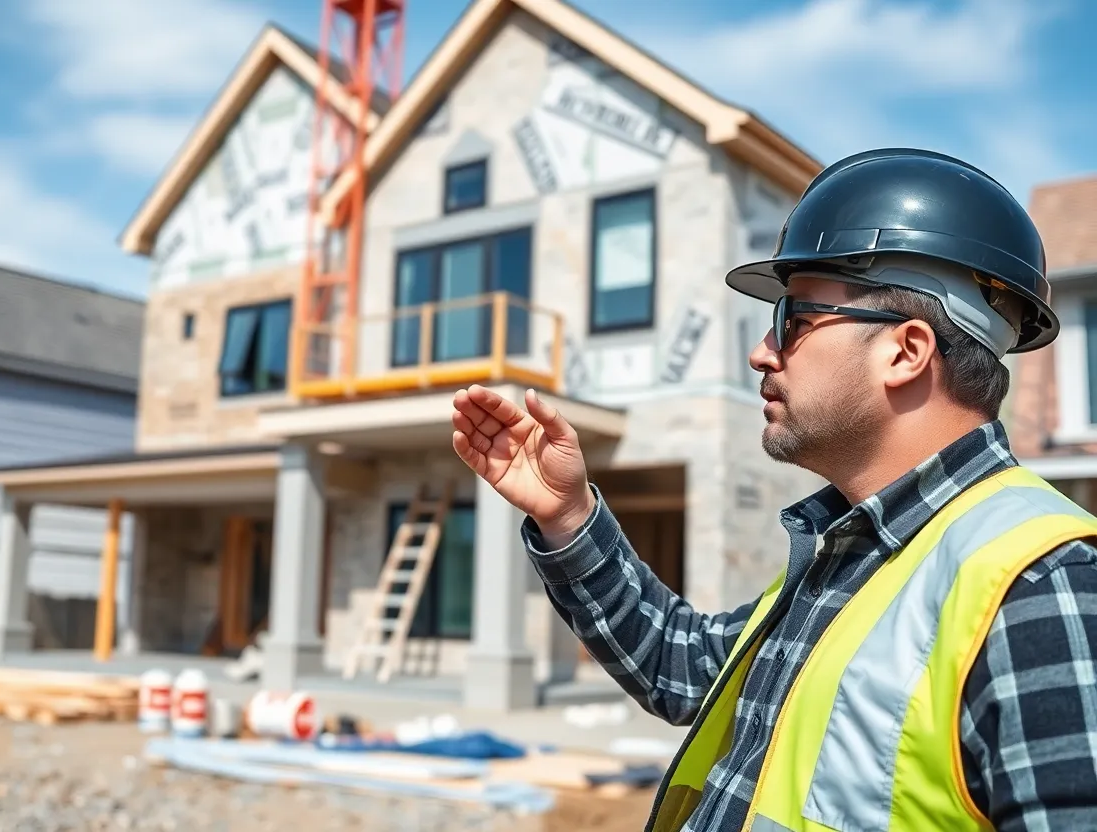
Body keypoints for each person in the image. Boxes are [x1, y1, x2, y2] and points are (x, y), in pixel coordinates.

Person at [449, 148, 1097, 832]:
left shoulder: (1039, 588)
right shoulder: (853, 553)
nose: (762, 349)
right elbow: (682, 667)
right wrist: (569, 516)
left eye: (795, 319)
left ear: (906, 352)